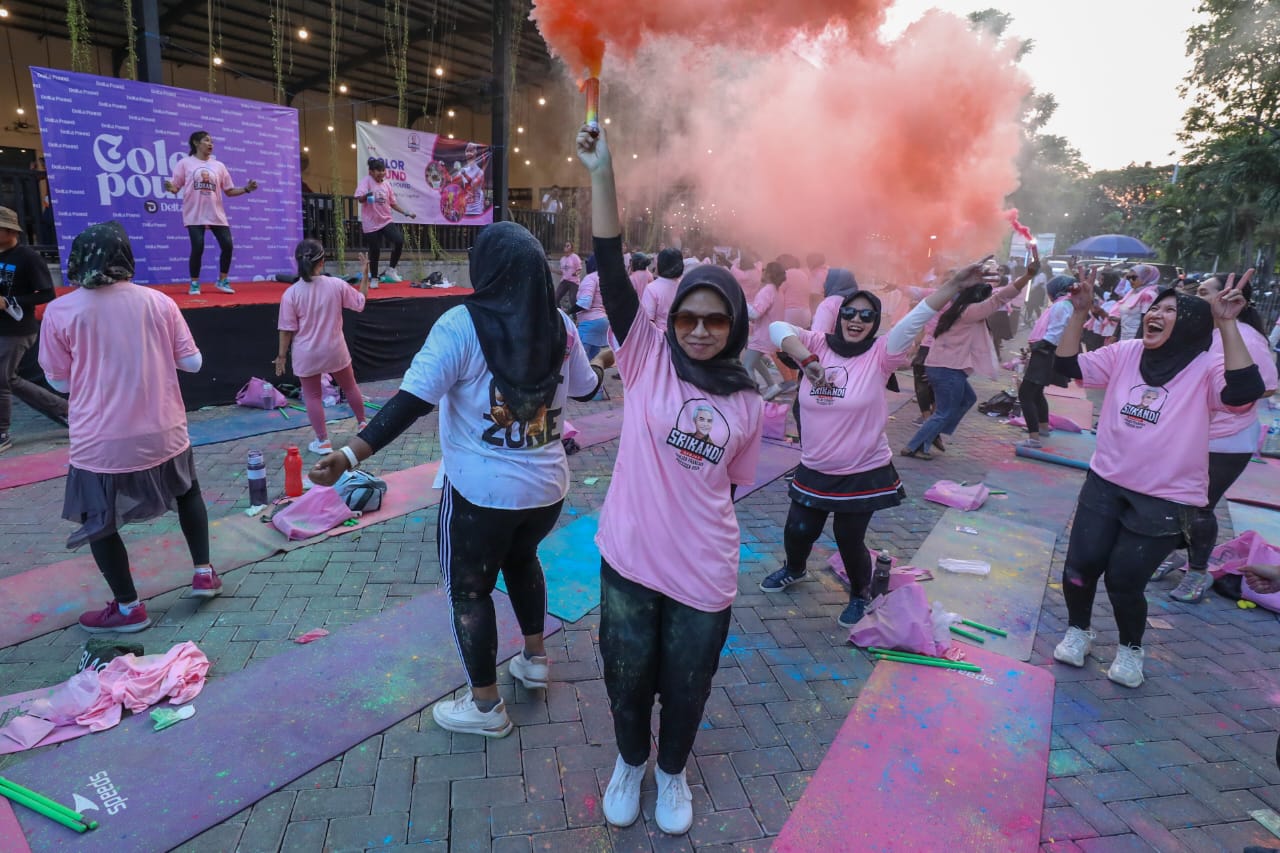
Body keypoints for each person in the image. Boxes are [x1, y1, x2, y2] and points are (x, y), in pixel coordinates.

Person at [309, 221, 602, 736]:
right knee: (523, 558)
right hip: (546, 492)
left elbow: (411, 401)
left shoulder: (461, 324)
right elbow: (586, 389)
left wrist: (352, 454)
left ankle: (486, 708)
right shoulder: (561, 323)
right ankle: (534, 660)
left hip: (480, 495)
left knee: (470, 593)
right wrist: (600, 363)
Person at [577, 125, 763, 836]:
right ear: (673, 318)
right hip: (629, 560)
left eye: (716, 319)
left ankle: (671, 773)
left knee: (686, 686)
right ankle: (631, 762)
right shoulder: (643, 359)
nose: (700, 328)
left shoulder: (747, 400)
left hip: (704, 574)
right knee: (625, 679)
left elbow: (730, 487)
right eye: (688, 315)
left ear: (734, 324)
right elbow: (612, 272)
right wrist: (604, 174)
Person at [1050, 271, 1265, 688]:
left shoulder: (1207, 368)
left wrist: (1225, 324)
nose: (1157, 313)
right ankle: (1078, 630)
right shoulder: (1126, 352)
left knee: (1124, 579)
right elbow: (1065, 364)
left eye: (1171, 309)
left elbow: (1245, 390)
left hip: (1165, 497)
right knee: (1080, 565)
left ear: (1190, 324)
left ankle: (1131, 648)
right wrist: (1078, 314)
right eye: (1156, 306)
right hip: (1106, 480)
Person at [759, 265, 979, 627]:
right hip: (815, 466)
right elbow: (777, 328)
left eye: (866, 315)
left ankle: (860, 593)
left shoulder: (881, 353)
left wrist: (953, 285)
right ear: (839, 315)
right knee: (798, 529)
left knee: (848, 538)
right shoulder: (817, 343)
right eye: (849, 312)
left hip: (862, 469)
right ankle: (794, 569)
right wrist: (808, 360)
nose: (856, 320)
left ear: (875, 322)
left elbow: (916, 318)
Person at [39, 222, 219, 633]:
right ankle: (204, 572)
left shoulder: (61, 311)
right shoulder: (159, 303)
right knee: (188, 493)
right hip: (164, 429)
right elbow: (193, 363)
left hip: (101, 440)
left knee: (99, 521)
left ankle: (128, 608)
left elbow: (60, 382)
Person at [1152, 272, 1278, 601]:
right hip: (1189, 432)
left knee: (1200, 506)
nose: (1196, 295)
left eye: (1204, 291)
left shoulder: (1246, 337)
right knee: (1167, 498)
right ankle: (1171, 555)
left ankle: (1198, 572)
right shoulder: (1200, 329)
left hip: (1226, 438)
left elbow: (1267, 384)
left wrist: (1225, 399)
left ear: (1229, 297)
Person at [900, 259, 1033, 459]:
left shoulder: (957, 309)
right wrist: (1028, 276)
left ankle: (932, 432)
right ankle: (916, 446)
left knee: (967, 399)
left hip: (943, 367)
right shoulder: (970, 311)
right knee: (943, 412)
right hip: (947, 369)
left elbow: (998, 295)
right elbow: (1000, 298)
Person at [276, 241, 371, 455]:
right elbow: (360, 302)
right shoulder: (335, 284)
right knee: (350, 387)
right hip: (335, 349)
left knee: (312, 396)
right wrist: (365, 274)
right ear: (322, 262)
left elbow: (286, 330)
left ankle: (323, 441)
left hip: (307, 353)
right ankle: (364, 425)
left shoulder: (291, 294)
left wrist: (281, 356)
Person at [0, 206, 68, 452]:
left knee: (3, 380)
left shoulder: (28, 257)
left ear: (9, 230)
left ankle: (2, 433)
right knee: (10, 379)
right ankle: (66, 410)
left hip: (18, 329)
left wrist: (10, 301)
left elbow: (47, 293)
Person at [164, 130, 258, 295]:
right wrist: (170, 188)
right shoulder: (185, 163)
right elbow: (175, 187)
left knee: (228, 246)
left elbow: (229, 191)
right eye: (206, 141)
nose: (210, 144)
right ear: (195, 143)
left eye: (212, 141)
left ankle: (222, 280)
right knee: (198, 247)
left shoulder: (219, 166)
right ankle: (194, 283)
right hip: (194, 213)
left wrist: (246, 189)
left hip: (216, 214)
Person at [1017, 275, 1076, 448]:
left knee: (1025, 394)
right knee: (1036, 392)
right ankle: (1042, 427)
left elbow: (1054, 333)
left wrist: (1034, 348)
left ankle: (1033, 439)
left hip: (1045, 353)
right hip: (1046, 352)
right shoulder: (1064, 304)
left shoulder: (1062, 305)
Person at [354, 157, 417, 285]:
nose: (382, 173)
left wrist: (407, 213)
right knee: (375, 249)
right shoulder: (366, 181)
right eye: (378, 171)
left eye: (383, 170)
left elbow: (393, 203)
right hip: (371, 223)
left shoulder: (386, 184)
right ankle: (375, 278)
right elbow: (359, 199)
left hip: (385, 220)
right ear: (371, 172)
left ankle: (391, 269)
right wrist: (367, 195)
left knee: (399, 240)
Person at [743, 262, 787, 395]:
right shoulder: (777, 290)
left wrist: (741, 301)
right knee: (754, 362)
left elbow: (755, 313)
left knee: (747, 365)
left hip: (763, 336)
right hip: (769, 335)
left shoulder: (768, 289)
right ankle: (772, 386)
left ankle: (753, 396)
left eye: (765, 270)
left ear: (768, 274)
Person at [1113, 264, 1160, 341]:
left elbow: (1145, 322)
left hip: (1136, 339)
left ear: (1145, 277)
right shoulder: (1131, 293)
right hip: (1123, 339)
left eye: (1134, 277)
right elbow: (1123, 318)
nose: (1130, 280)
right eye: (1128, 278)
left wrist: (1135, 343)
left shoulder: (1148, 295)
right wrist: (1115, 335)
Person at [575, 255, 609, 360]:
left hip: (590, 323)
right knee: (594, 359)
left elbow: (585, 302)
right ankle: (594, 376)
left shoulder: (590, 278)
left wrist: (567, 312)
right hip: (603, 321)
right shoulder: (605, 278)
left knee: (580, 359)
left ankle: (579, 377)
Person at [639, 247, 686, 325]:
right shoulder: (684, 286)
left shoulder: (652, 289)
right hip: (680, 333)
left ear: (661, 264)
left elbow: (647, 322)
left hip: (661, 335)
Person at [555, 241, 583, 313]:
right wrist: (551, 269)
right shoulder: (562, 259)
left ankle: (576, 316)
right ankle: (560, 313)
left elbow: (579, 268)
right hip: (564, 281)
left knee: (573, 299)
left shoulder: (575, 257)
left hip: (573, 281)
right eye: (565, 246)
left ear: (571, 248)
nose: (566, 247)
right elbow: (561, 272)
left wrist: (576, 273)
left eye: (568, 246)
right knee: (556, 298)